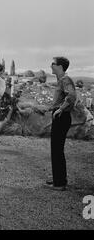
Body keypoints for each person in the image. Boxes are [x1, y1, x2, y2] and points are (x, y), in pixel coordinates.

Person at [45, 56, 76, 191]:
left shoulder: (65, 80)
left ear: (60, 66)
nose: (51, 65)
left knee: (57, 149)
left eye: (53, 63)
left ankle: (60, 183)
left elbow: (72, 96)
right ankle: (58, 178)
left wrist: (61, 109)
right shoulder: (61, 80)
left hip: (62, 116)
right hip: (59, 115)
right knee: (56, 149)